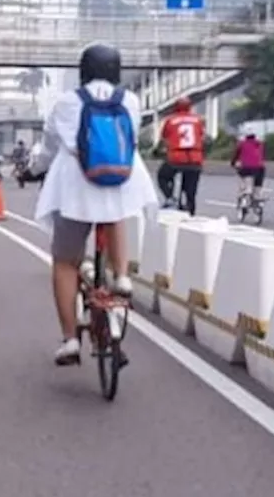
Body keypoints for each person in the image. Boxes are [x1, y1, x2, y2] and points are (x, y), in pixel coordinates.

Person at [29, 43, 159, 366]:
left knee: (64, 262)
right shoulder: (129, 100)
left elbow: (48, 148)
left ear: (83, 70)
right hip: (121, 181)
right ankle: (123, 276)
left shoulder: (66, 103)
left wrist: (35, 169)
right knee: (115, 214)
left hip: (75, 189)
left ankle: (71, 339)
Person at [156, 95, 206, 215]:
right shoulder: (198, 120)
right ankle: (191, 207)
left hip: (176, 158)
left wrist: (160, 150)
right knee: (191, 188)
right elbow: (201, 136)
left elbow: (164, 138)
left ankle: (170, 198)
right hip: (195, 158)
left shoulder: (170, 120)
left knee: (162, 176)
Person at [230, 122, 265, 203]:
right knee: (259, 178)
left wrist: (232, 163)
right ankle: (257, 193)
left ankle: (245, 190)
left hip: (245, 167)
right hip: (259, 167)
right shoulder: (259, 143)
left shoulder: (242, 143)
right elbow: (261, 155)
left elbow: (236, 155)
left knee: (242, 175)